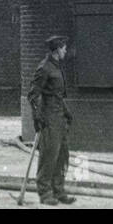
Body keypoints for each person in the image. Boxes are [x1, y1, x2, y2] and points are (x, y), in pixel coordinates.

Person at [27, 35, 75, 206]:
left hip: (59, 117)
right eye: (64, 48)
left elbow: (57, 95)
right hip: (49, 119)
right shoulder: (44, 68)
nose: (66, 50)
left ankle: (58, 190)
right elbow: (33, 95)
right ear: (57, 50)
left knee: (62, 155)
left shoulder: (56, 67)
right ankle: (45, 193)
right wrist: (38, 117)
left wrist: (67, 112)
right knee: (49, 156)